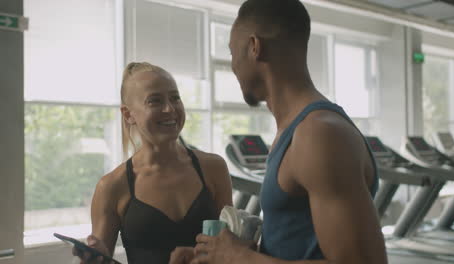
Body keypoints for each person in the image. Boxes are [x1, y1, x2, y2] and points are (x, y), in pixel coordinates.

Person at [191, 0, 388, 263]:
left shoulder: (319, 135)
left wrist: (240, 257)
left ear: (254, 47)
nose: (233, 66)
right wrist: (226, 253)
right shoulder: (294, 131)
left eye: (232, 53)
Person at [73, 62, 233, 264]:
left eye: (175, 98)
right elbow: (100, 258)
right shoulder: (112, 187)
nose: (170, 109)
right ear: (128, 114)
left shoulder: (213, 168)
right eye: (155, 101)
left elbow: (233, 250)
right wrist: (95, 257)